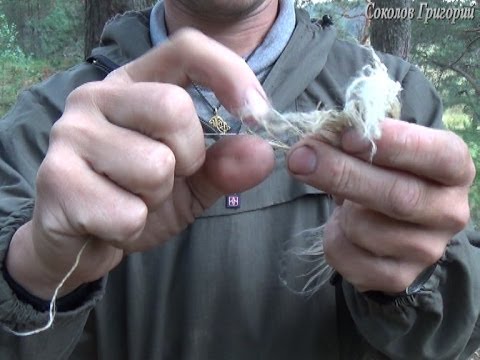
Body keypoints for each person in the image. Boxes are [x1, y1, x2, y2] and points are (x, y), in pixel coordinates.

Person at [0, 0, 479, 358]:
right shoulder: (45, 123)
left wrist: (418, 278)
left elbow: (455, 335)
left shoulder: (399, 103)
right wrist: (35, 272)